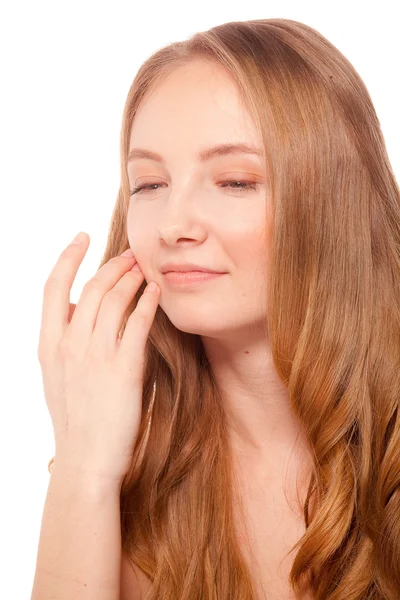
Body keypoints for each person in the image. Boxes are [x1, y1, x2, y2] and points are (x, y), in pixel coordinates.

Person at [30, 17, 400, 600]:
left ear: (334, 201)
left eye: (233, 181)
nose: (173, 225)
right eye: (149, 185)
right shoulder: (136, 475)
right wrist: (82, 467)